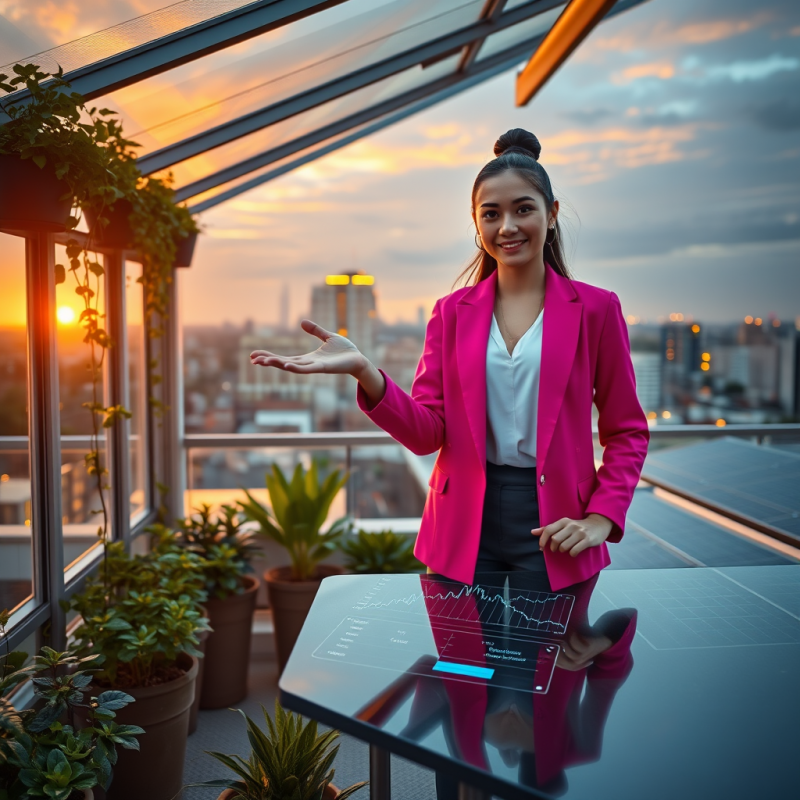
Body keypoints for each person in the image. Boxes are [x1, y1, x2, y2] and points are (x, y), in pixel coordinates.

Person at [250, 128, 650, 592]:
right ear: (477, 225)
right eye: (491, 214)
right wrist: (364, 371)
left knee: (546, 664)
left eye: (524, 209)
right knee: (463, 664)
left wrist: (602, 518)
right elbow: (426, 435)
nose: (507, 227)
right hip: (462, 521)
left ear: (552, 214)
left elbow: (627, 430)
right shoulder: (451, 313)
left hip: (558, 525)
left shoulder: (597, 310)